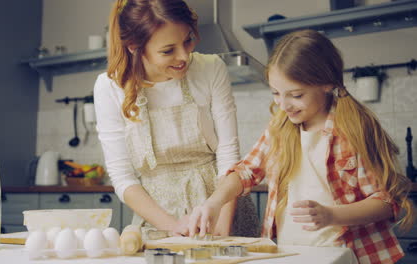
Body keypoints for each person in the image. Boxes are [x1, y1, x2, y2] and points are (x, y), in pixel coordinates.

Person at [188, 29, 415, 263]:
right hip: (293, 251)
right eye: (276, 93)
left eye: (296, 95)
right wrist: (214, 202)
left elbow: (386, 202)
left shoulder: (355, 129)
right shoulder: (280, 127)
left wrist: (331, 215)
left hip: (346, 254)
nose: (284, 105)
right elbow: (245, 171)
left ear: (327, 83)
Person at [94, 0, 259, 238]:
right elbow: (123, 177)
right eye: (168, 50)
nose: (184, 56)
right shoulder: (110, 87)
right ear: (133, 46)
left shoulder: (211, 69)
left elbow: (228, 157)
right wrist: (173, 226)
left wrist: (223, 230)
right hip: (158, 218)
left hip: (221, 209)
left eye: (188, 40)